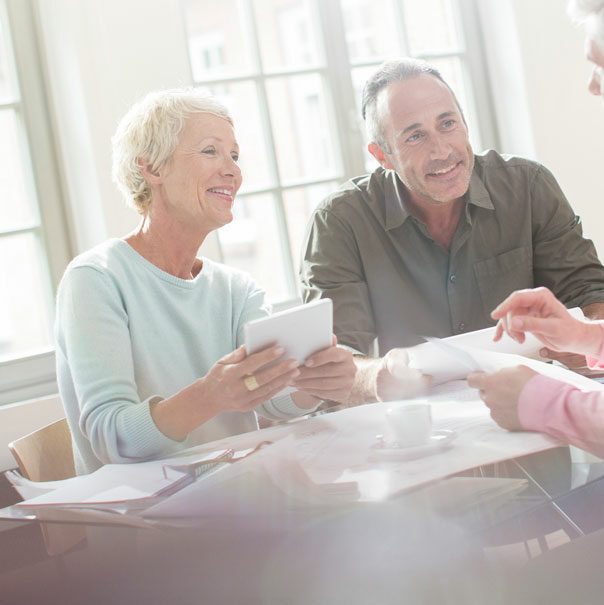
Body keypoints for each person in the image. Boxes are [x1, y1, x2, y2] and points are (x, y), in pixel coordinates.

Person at [56, 89, 356, 475]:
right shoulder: (95, 280)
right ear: (152, 169)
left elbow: (273, 401)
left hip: (237, 499)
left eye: (234, 155)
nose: (232, 170)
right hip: (145, 520)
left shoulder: (238, 289)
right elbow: (112, 439)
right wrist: (210, 396)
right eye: (211, 151)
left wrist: (316, 385)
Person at [299, 56, 604, 405]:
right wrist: (377, 377)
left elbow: (591, 294)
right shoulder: (339, 221)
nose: (442, 151)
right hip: (412, 435)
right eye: (415, 136)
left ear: (465, 124)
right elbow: (333, 363)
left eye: (447, 124)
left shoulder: (529, 185)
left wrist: (584, 341)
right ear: (382, 155)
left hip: (530, 415)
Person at [467, 0, 604, 458]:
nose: (591, 86)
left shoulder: (528, 182)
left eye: (600, 64)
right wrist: (582, 336)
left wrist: (538, 403)